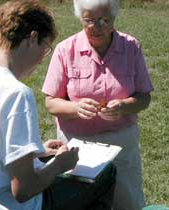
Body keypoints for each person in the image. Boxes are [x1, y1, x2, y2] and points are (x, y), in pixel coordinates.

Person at [0, 0, 116, 210]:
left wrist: (37, 150)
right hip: (0, 205)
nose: (42, 59)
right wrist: (60, 165)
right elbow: (23, 190)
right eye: (45, 49)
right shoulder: (16, 93)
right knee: (107, 172)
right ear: (33, 38)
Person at [42, 0, 154, 210]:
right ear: (80, 18)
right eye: (90, 20)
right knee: (82, 204)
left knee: (127, 203)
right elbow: (51, 103)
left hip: (121, 143)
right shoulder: (65, 50)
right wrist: (75, 108)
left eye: (104, 20)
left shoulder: (131, 47)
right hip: (77, 145)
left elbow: (144, 97)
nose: (97, 26)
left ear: (114, 18)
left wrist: (123, 106)